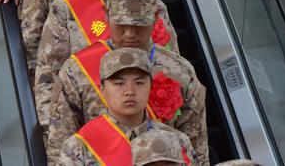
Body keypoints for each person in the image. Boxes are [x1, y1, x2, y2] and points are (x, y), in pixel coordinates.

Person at [34, 0, 178, 137]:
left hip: (152, 136)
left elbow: (170, 63)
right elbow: (48, 73)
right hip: (93, 139)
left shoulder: (154, 6)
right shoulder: (66, 8)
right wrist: (50, 129)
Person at [46, 0, 204, 165]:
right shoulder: (77, 70)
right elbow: (60, 138)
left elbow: (196, 143)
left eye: (138, 25)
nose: (129, 34)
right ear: (106, 14)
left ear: (154, 18)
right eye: (121, 24)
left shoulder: (180, 71)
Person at [56, 50, 197, 166]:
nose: (129, 91)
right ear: (102, 89)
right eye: (119, 83)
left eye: (139, 82)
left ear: (151, 87)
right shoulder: (79, 147)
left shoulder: (177, 141)